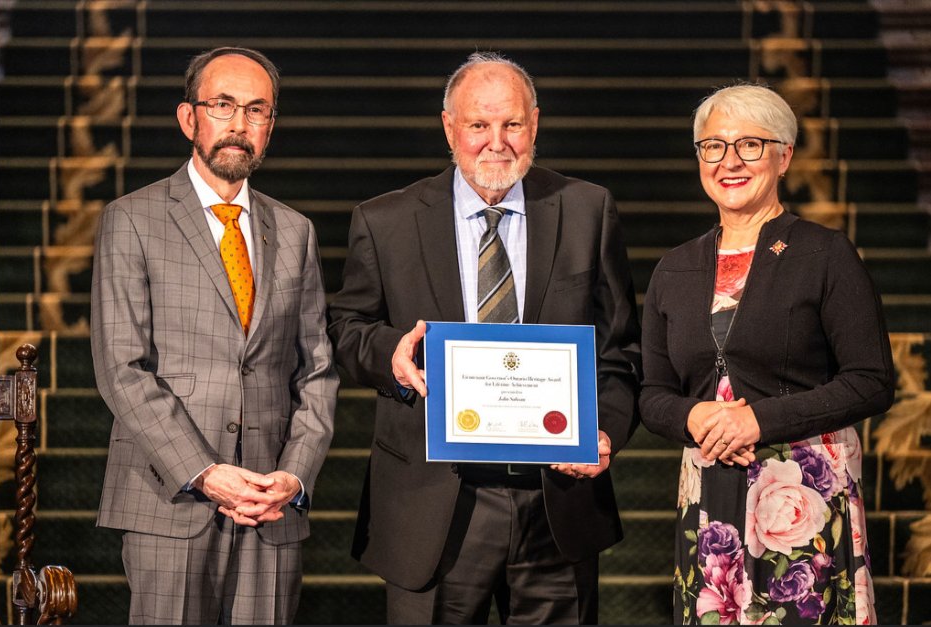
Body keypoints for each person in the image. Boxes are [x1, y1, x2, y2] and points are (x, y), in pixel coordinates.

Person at [327, 51, 641, 624]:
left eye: (512, 124)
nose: (497, 141)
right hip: (436, 504)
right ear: (449, 127)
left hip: (558, 501)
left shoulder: (588, 209)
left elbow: (620, 349)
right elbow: (346, 331)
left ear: (535, 124)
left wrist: (607, 432)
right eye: (478, 124)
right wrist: (388, 354)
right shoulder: (386, 221)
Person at [90, 47, 338, 624]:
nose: (239, 125)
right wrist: (206, 473)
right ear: (188, 118)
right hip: (170, 498)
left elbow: (317, 371)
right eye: (222, 106)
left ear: (270, 127)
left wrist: (294, 475)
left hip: (271, 505)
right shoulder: (131, 219)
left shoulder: (295, 231)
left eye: (256, 111)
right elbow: (121, 368)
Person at [640, 84, 895, 625]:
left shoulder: (824, 254)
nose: (729, 161)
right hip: (710, 499)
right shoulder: (674, 267)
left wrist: (760, 419)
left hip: (804, 500)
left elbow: (871, 380)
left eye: (751, 144)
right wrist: (693, 414)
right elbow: (652, 394)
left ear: (785, 157)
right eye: (713, 146)